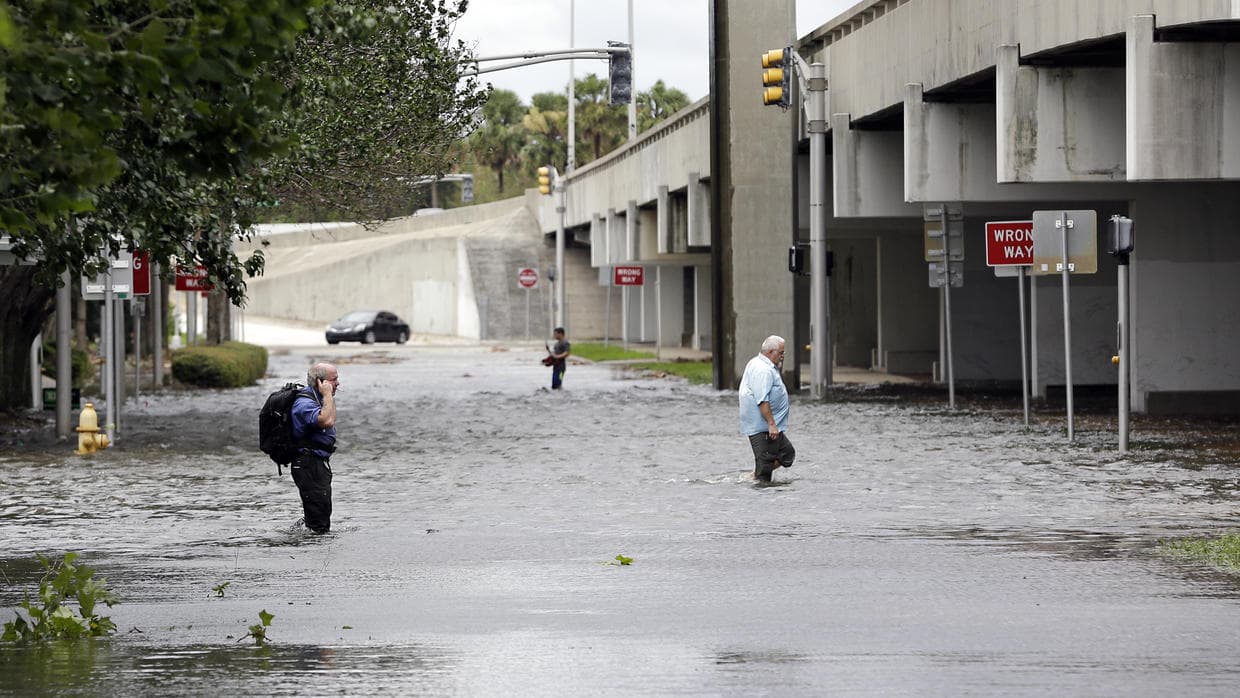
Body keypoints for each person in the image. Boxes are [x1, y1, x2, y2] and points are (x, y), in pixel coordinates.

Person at [738, 335, 795, 482]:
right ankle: (758, 481)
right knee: (765, 471)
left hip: (768, 425)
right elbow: (762, 399)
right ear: (770, 352)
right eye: (780, 352)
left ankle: (756, 474)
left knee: (787, 454)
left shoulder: (763, 364)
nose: (783, 356)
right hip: (763, 426)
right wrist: (771, 424)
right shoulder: (763, 370)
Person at [290, 362, 339, 533]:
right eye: (334, 379)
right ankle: (312, 546)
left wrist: (327, 395)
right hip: (308, 465)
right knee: (319, 523)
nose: (338, 383)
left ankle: (305, 537)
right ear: (320, 382)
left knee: (321, 514)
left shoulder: (319, 399)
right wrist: (327, 394)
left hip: (317, 464)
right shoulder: (304, 403)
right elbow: (327, 421)